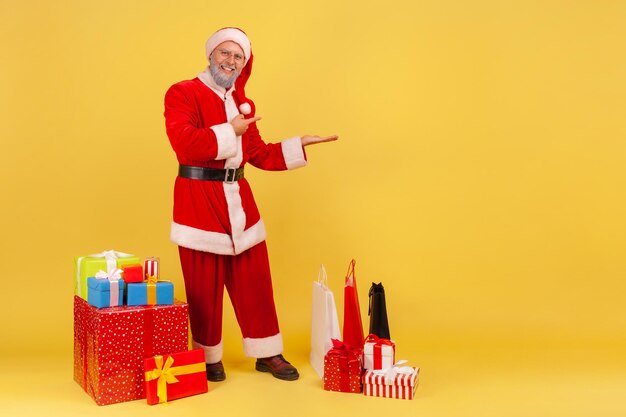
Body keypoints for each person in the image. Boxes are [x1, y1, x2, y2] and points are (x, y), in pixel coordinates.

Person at [164, 27, 337, 382]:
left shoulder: (244, 104)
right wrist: (231, 131)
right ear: (210, 54)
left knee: (255, 280)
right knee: (202, 283)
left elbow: (257, 153)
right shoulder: (183, 92)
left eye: (238, 57)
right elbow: (184, 143)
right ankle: (209, 355)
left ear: (244, 65)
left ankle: (267, 352)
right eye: (225, 53)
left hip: (239, 200)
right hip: (198, 200)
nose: (230, 61)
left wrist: (298, 144)